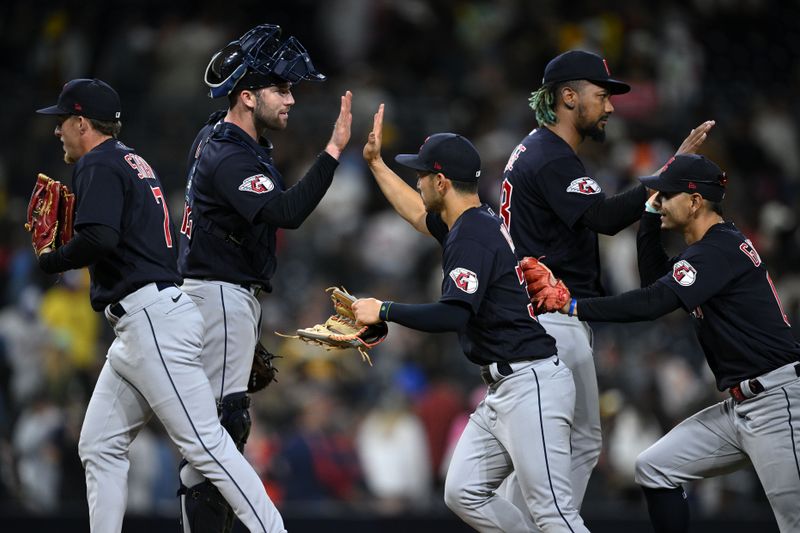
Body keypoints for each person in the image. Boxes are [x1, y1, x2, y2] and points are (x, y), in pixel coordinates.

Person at [34, 78, 284, 533]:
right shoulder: (131, 160)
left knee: (207, 444)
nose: (57, 132)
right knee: (99, 443)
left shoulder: (96, 163)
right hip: (143, 321)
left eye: (62, 121)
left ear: (82, 122)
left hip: (150, 320)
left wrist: (55, 260)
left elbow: (100, 238)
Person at [353, 104, 588, 532]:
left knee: (553, 514)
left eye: (422, 175)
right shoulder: (470, 222)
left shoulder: (472, 235)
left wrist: (384, 309)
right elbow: (415, 214)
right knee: (462, 490)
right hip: (507, 386)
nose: (418, 181)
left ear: (441, 182)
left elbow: (452, 314)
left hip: (530, 383)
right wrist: (375, 164)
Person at [499, 49, 715, 509]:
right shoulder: (551, 156)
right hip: (553, 318)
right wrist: (670, 173)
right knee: (579, 444)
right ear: (569, 97)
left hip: (533, 318)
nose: (611, 106)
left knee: (549, 450)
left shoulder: (533, 148)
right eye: (602, 95)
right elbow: (605, 216)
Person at [551, 154, 800, 533]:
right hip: (741, 406)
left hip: (778, 401)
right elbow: (655, 283)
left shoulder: (719, 250)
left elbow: (652, 303)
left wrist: (572, 306)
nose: (659, 199)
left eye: (667, 194)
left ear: (696, 201)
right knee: (654, 468)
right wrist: (649, 215)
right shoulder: (708, 250)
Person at [176, 23, 352, 532]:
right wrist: (334, 150)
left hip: (214, 294)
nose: (292, 99)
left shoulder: (221, 135)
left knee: (206, 440)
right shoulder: (230, 152)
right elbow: (287, 211)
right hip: (221, 295)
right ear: (248, 96)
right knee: (223, 432)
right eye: (282, 88)